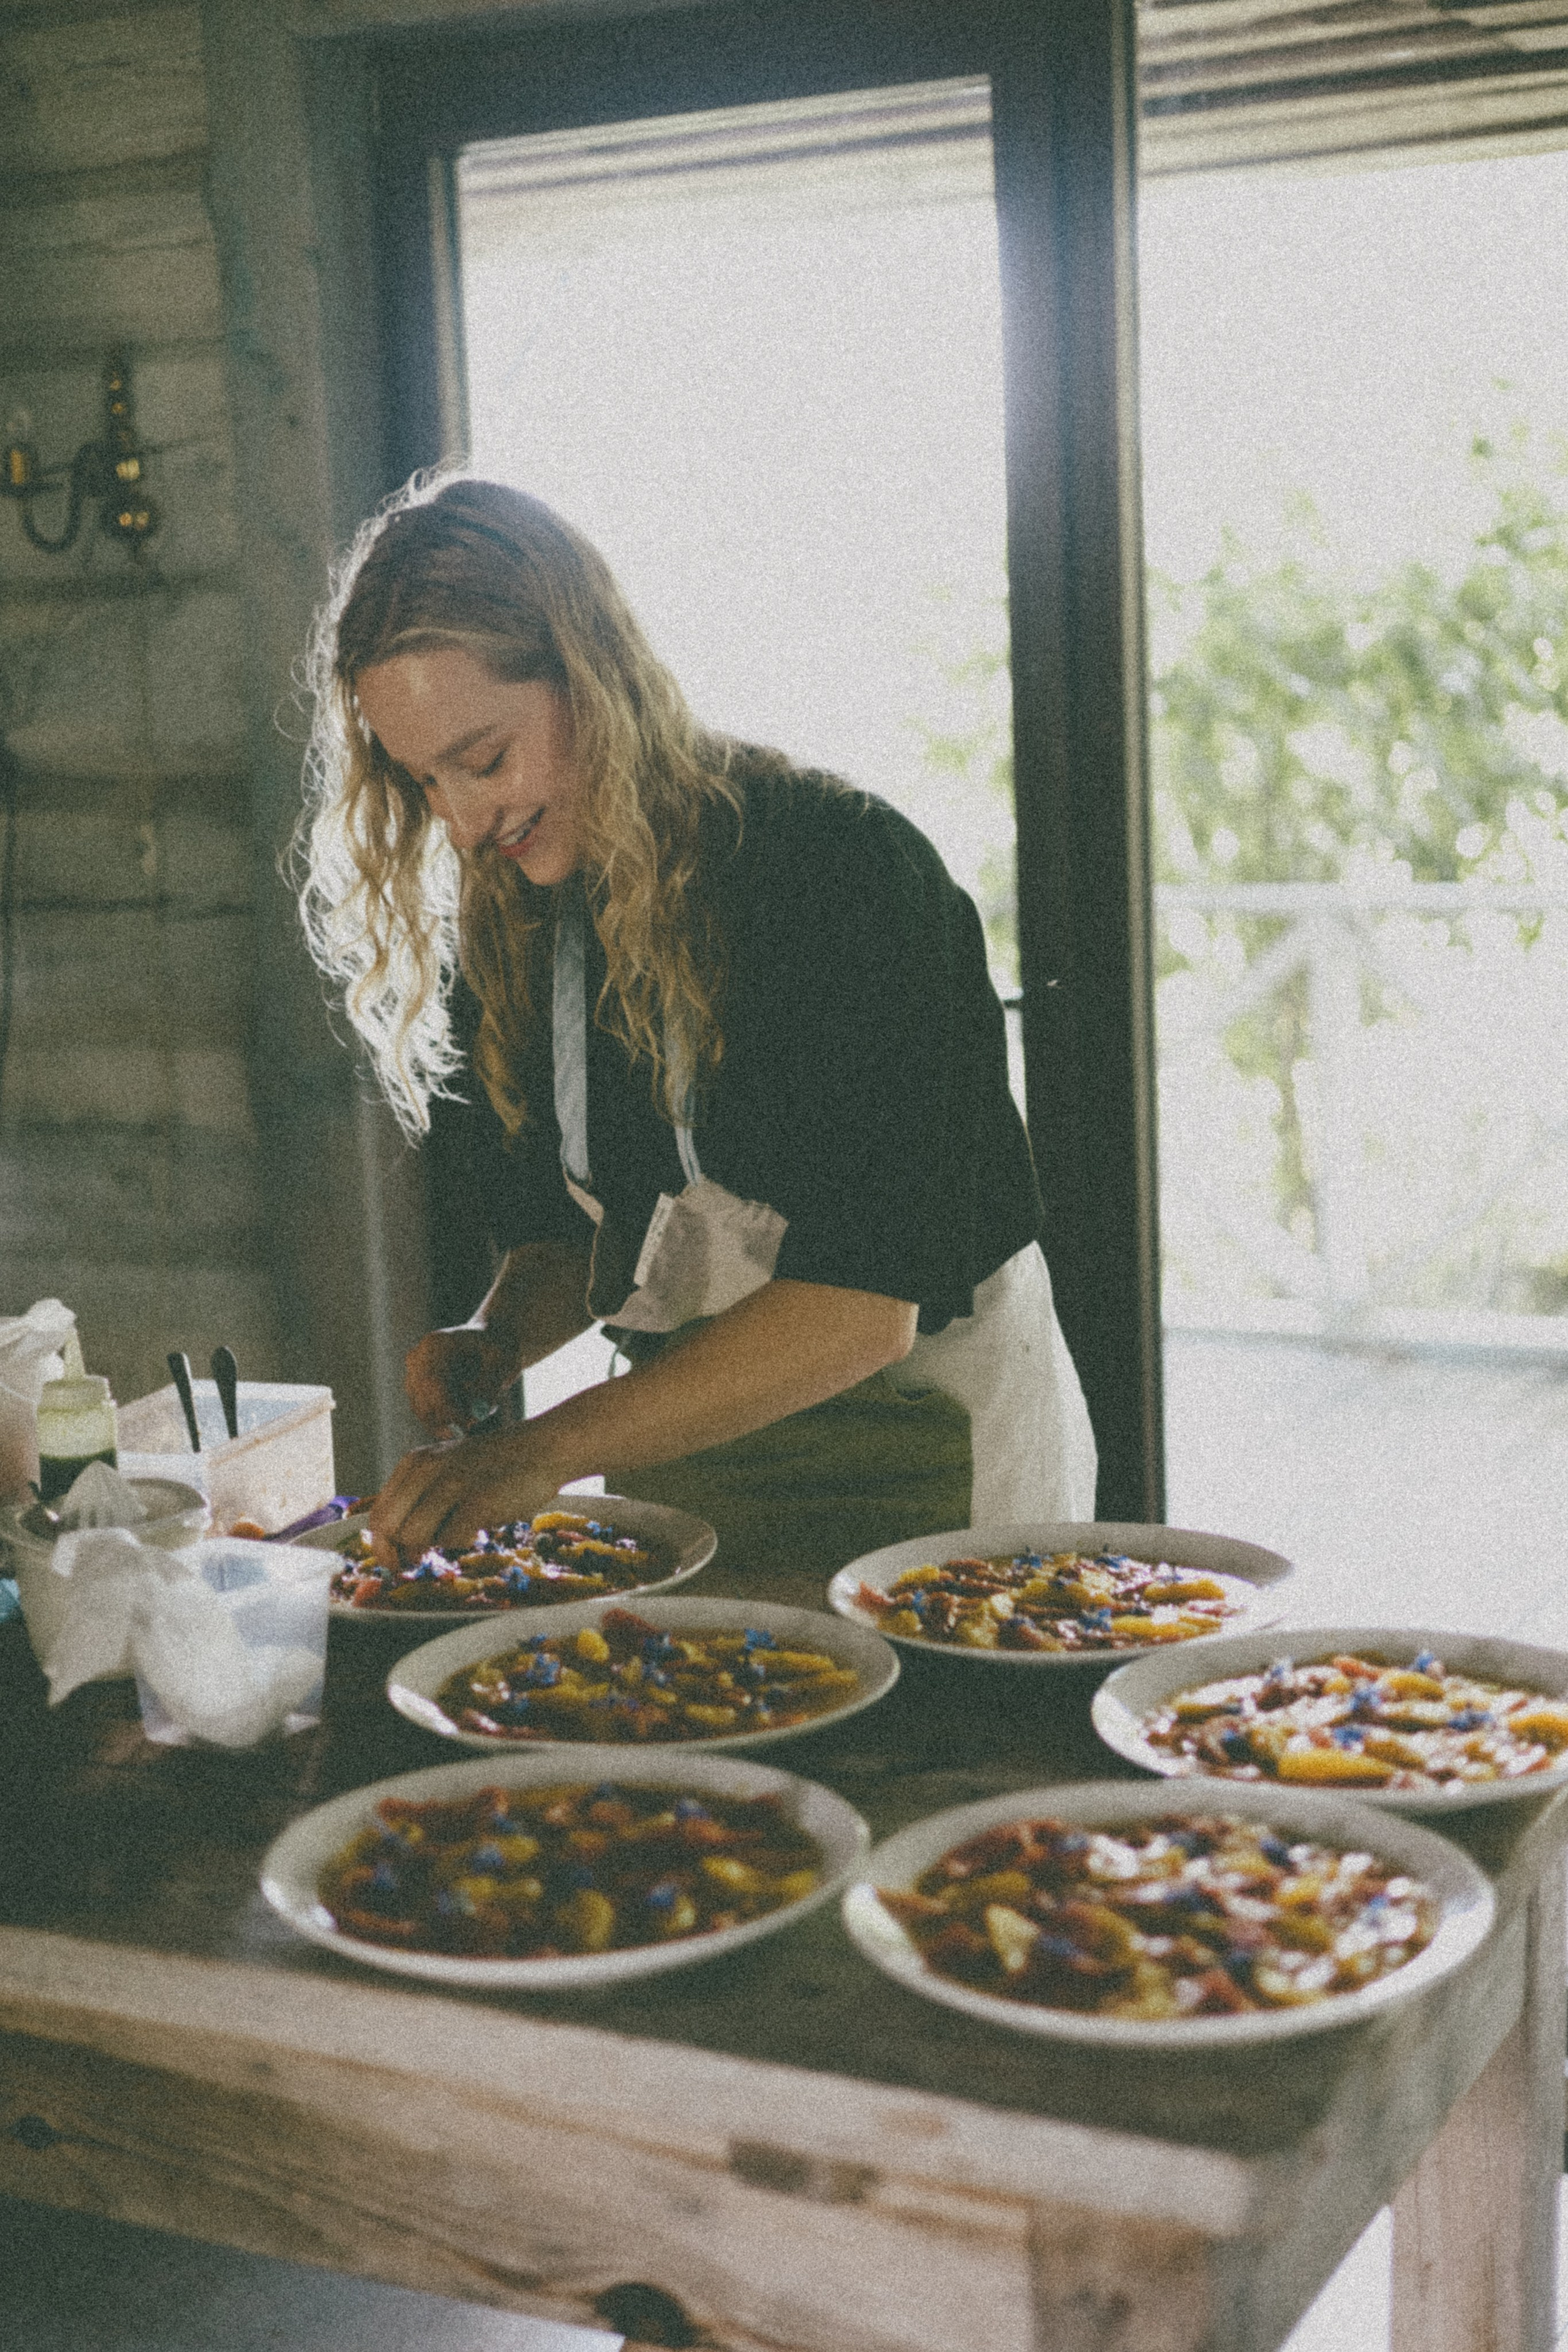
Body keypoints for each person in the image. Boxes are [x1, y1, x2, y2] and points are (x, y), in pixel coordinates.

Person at [296, 475, 1095, 1597]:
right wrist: (497, 1337)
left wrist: (538, 1452)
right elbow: (581, 1238)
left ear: (592, 673)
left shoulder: (843, 875)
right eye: (425, 782)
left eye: (485, 759)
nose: (467, 823)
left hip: (931, 1453)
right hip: (692, 1456)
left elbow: (864, 1310)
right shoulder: (519, 918)